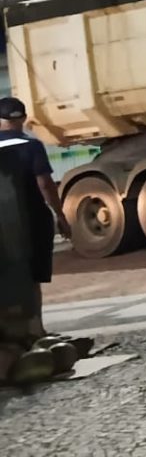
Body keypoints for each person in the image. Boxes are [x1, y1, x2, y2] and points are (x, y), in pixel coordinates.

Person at [0, 97, 69, 347]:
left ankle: (11, 336)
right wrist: (60, 215)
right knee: (33, 275)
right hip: (30, 219)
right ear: (23, 119)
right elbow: (44, 184)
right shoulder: (32, 145)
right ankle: (36, 330)